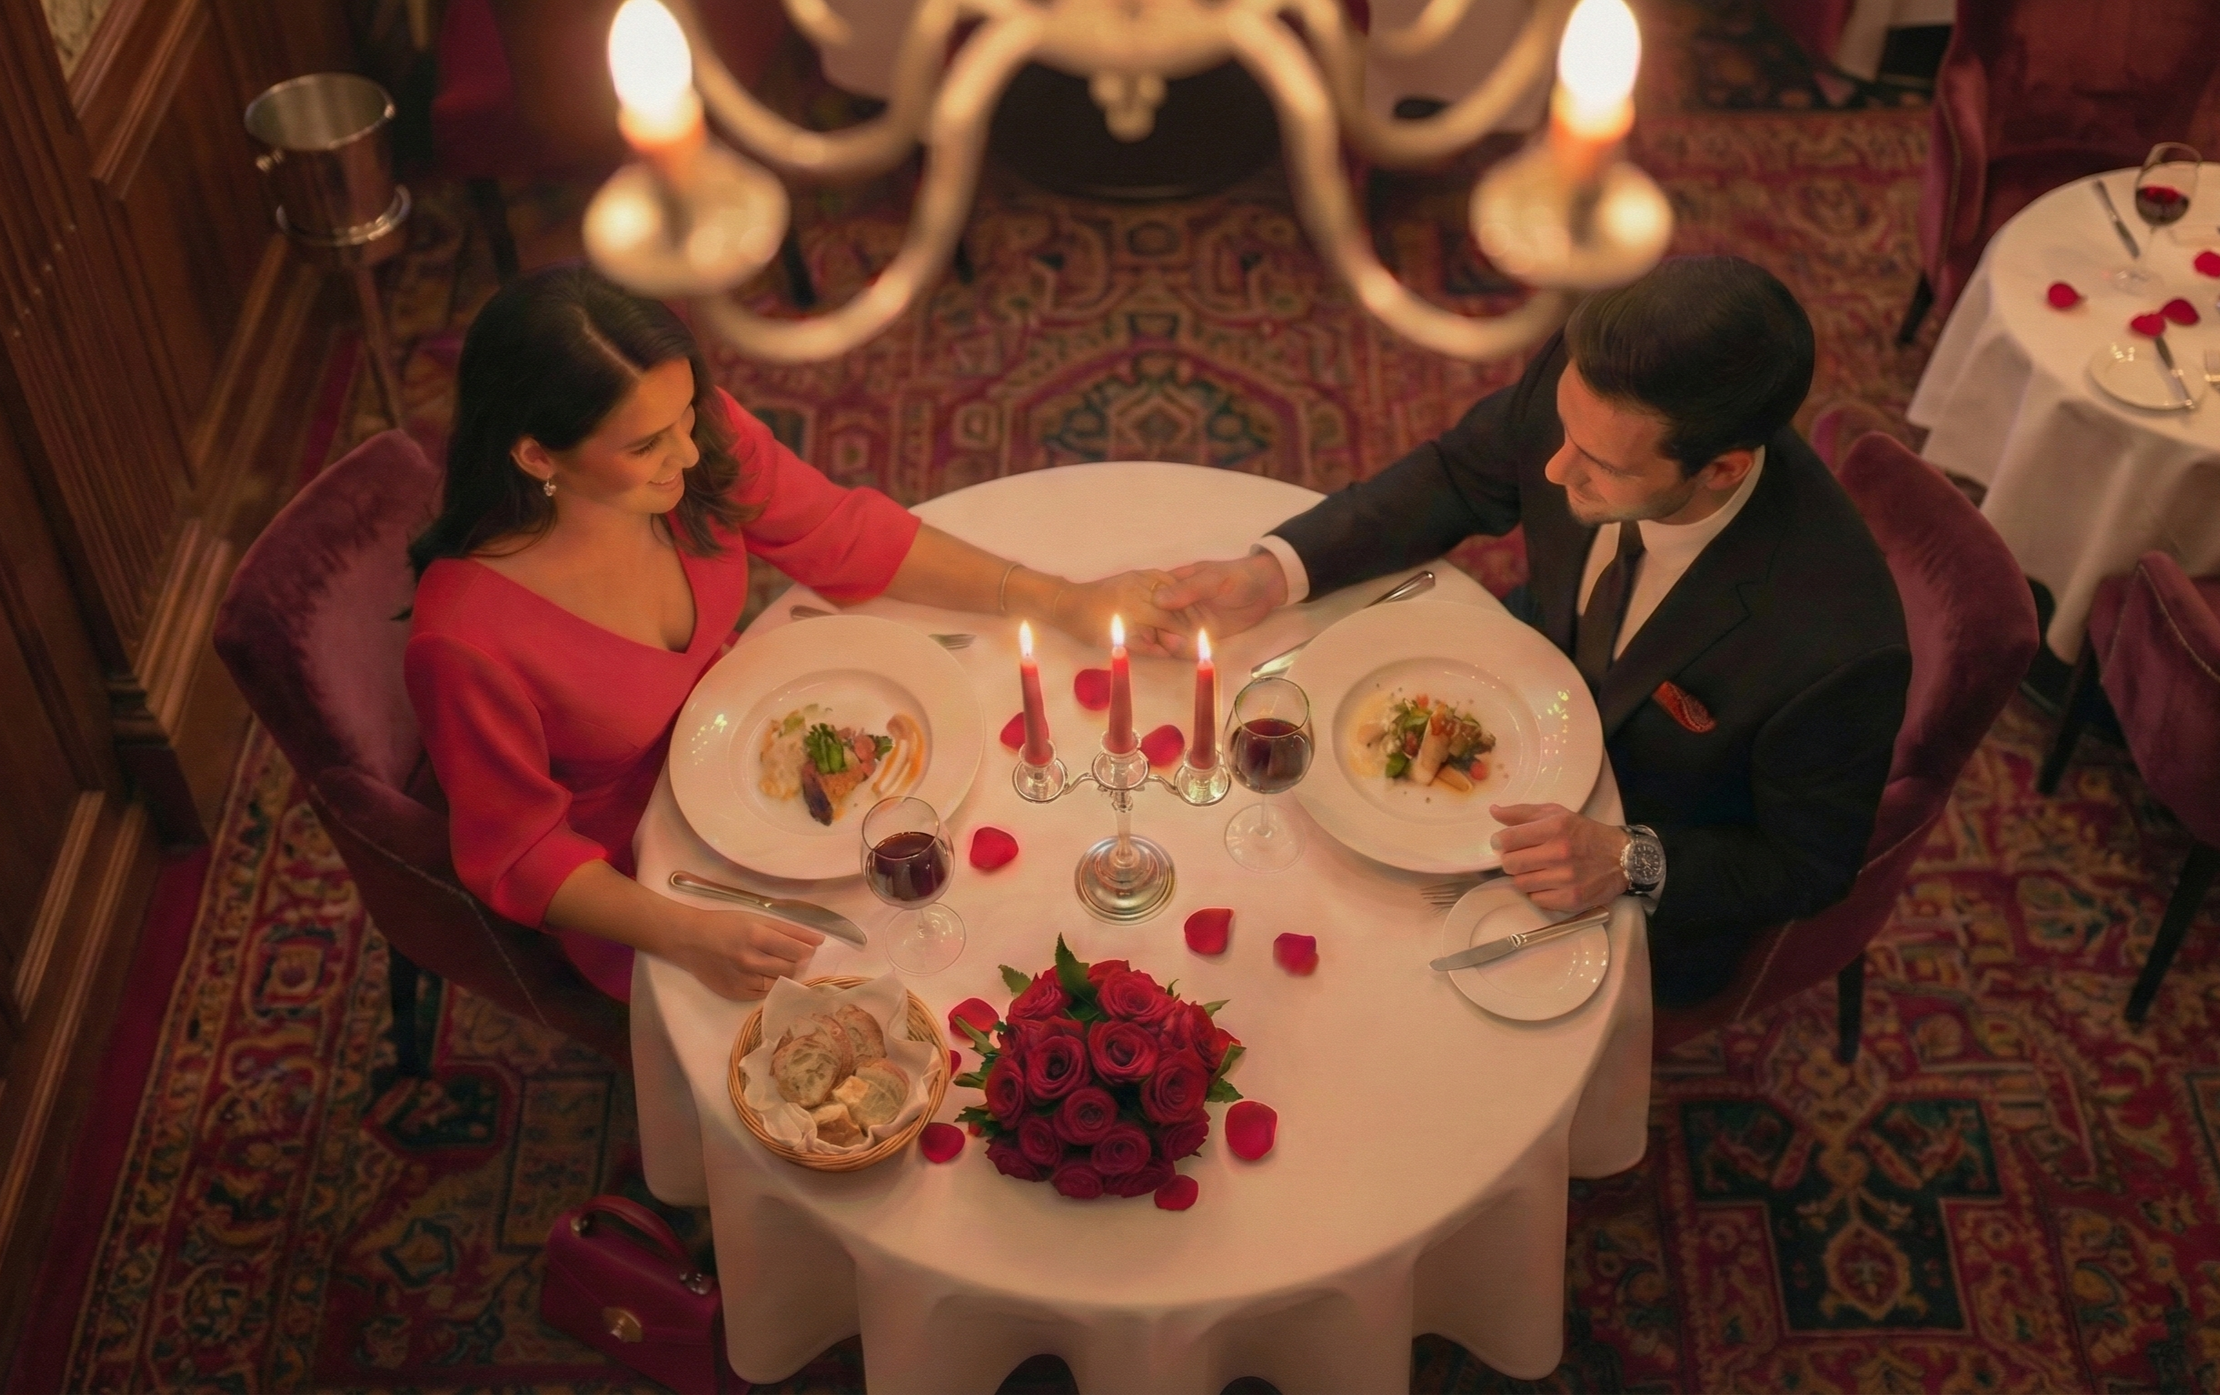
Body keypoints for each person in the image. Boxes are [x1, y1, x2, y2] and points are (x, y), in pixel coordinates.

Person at [405, 267, 1180, 1004]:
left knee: (1009, 875)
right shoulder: (467, 638)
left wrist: (1057, 597)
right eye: (645, 445)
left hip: (770, 743)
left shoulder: (691, 441)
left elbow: (840, 533)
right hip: (655, 880)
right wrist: (686, 935)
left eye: (686, 417)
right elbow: (520, 849)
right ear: (538, 455)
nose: (689, 453)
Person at [1154, 257, 1910, 1007]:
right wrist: (1275, 571)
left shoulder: (1836, 640)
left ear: (1721, 469)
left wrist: (1631, 858)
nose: (1552, 470)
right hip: (1516, 700)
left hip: (1615, 874)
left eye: (1600, 464)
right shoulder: (1588, 385)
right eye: (1563, 430)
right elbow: (1460, 475)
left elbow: (1808, 863)